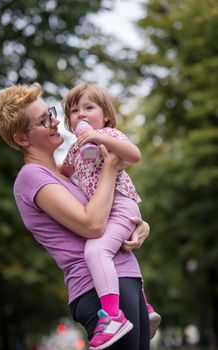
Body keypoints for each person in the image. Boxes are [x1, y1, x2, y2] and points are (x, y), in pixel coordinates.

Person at [0, 82, 151, 350]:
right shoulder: (31, 177)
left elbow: (109, 211)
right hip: (96, 291)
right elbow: (93, 225)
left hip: (127, 279)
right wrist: (110, 165)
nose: (54, 122)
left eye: (50, 113)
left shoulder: (70, 177)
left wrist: (140, 225)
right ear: (22, 139)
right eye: (43, 121)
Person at [61, 83, 161, 347]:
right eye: (74, 111)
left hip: (121, 205)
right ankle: (144, 306)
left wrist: (102, 138)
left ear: (105, 115)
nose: (81, 114)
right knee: (118, 255)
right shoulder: (74, 148)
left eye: (88, 107)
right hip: (104, 208)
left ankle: (112, 315)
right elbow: (63, 172)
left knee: (96, 251)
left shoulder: (109, 134)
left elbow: (135, 155)